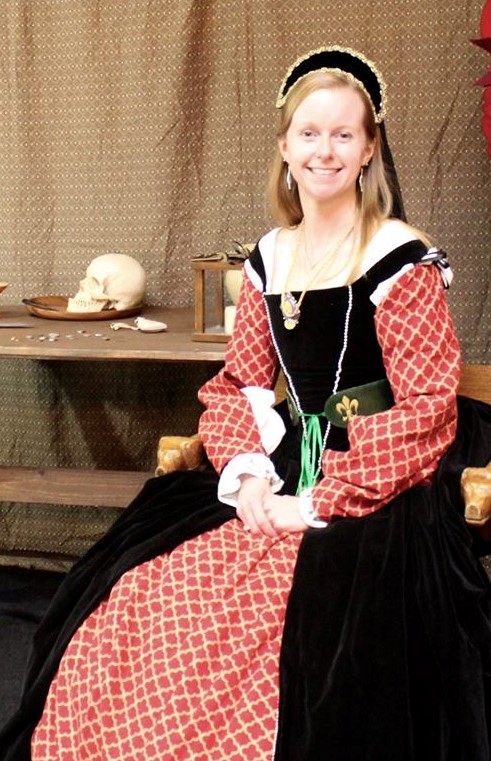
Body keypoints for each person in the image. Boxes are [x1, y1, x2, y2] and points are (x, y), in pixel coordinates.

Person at [1, 45, 491, 761]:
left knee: (311, 613)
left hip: (385, 468)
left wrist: (316, 501)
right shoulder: (270, 256)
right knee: (148, 586)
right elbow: (240, 384)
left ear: (368, 150)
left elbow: (425, 406)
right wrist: (252, 476)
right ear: (285, 147)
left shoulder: (399, 256)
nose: (324, 151)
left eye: (343, 135)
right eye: (309, 133)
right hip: (285, 454)